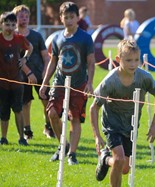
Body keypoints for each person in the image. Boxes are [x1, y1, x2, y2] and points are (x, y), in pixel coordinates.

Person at [90, 40, 155, 186]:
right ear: (118, 60)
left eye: (136, 60)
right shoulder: (110, 82)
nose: (133, 64)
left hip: (130, 126)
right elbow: (94, 108)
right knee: (119, 159)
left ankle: (105, 159)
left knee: (124, 168)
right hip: (112, 125)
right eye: (128, 60)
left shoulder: (145, 78)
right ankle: (110, 160)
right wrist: (97, 136)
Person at [39, 2, 95, 165]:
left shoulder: (86, 38)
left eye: (72, 17)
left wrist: (90, 83)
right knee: (52, 114)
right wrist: (45, 82)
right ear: (61, 18)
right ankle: (62, 146)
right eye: (66, 17)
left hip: (78, 84)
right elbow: (53, 62)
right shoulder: (57, 38)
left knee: (75, 118)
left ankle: (72, 153)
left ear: (77, 18)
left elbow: (91, 62)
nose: (69, 20)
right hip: (59, 83)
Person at [12, 5, 54, 140]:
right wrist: (28, 73)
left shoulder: (36, 35)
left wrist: (45, 74)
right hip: (21, 76)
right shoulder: (13, 36)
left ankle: (48, 127)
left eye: (26, 16)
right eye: (21, 16)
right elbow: (17, 60)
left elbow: (46, 57)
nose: (24, 19)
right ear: (15, 18)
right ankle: (27, 131)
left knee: (46, 101)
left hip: (40, 74)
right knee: (26, 103)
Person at [0, 11, 34, 145]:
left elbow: (30, 48)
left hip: (17, 82)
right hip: (2, 83)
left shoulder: (19, 39)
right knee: (3, 111)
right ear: (1, 25)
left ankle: (21, 138)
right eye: (7, 24)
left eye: (13, 24)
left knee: (18, 109)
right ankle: (3, 137)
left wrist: (25, 59)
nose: (10, 27)